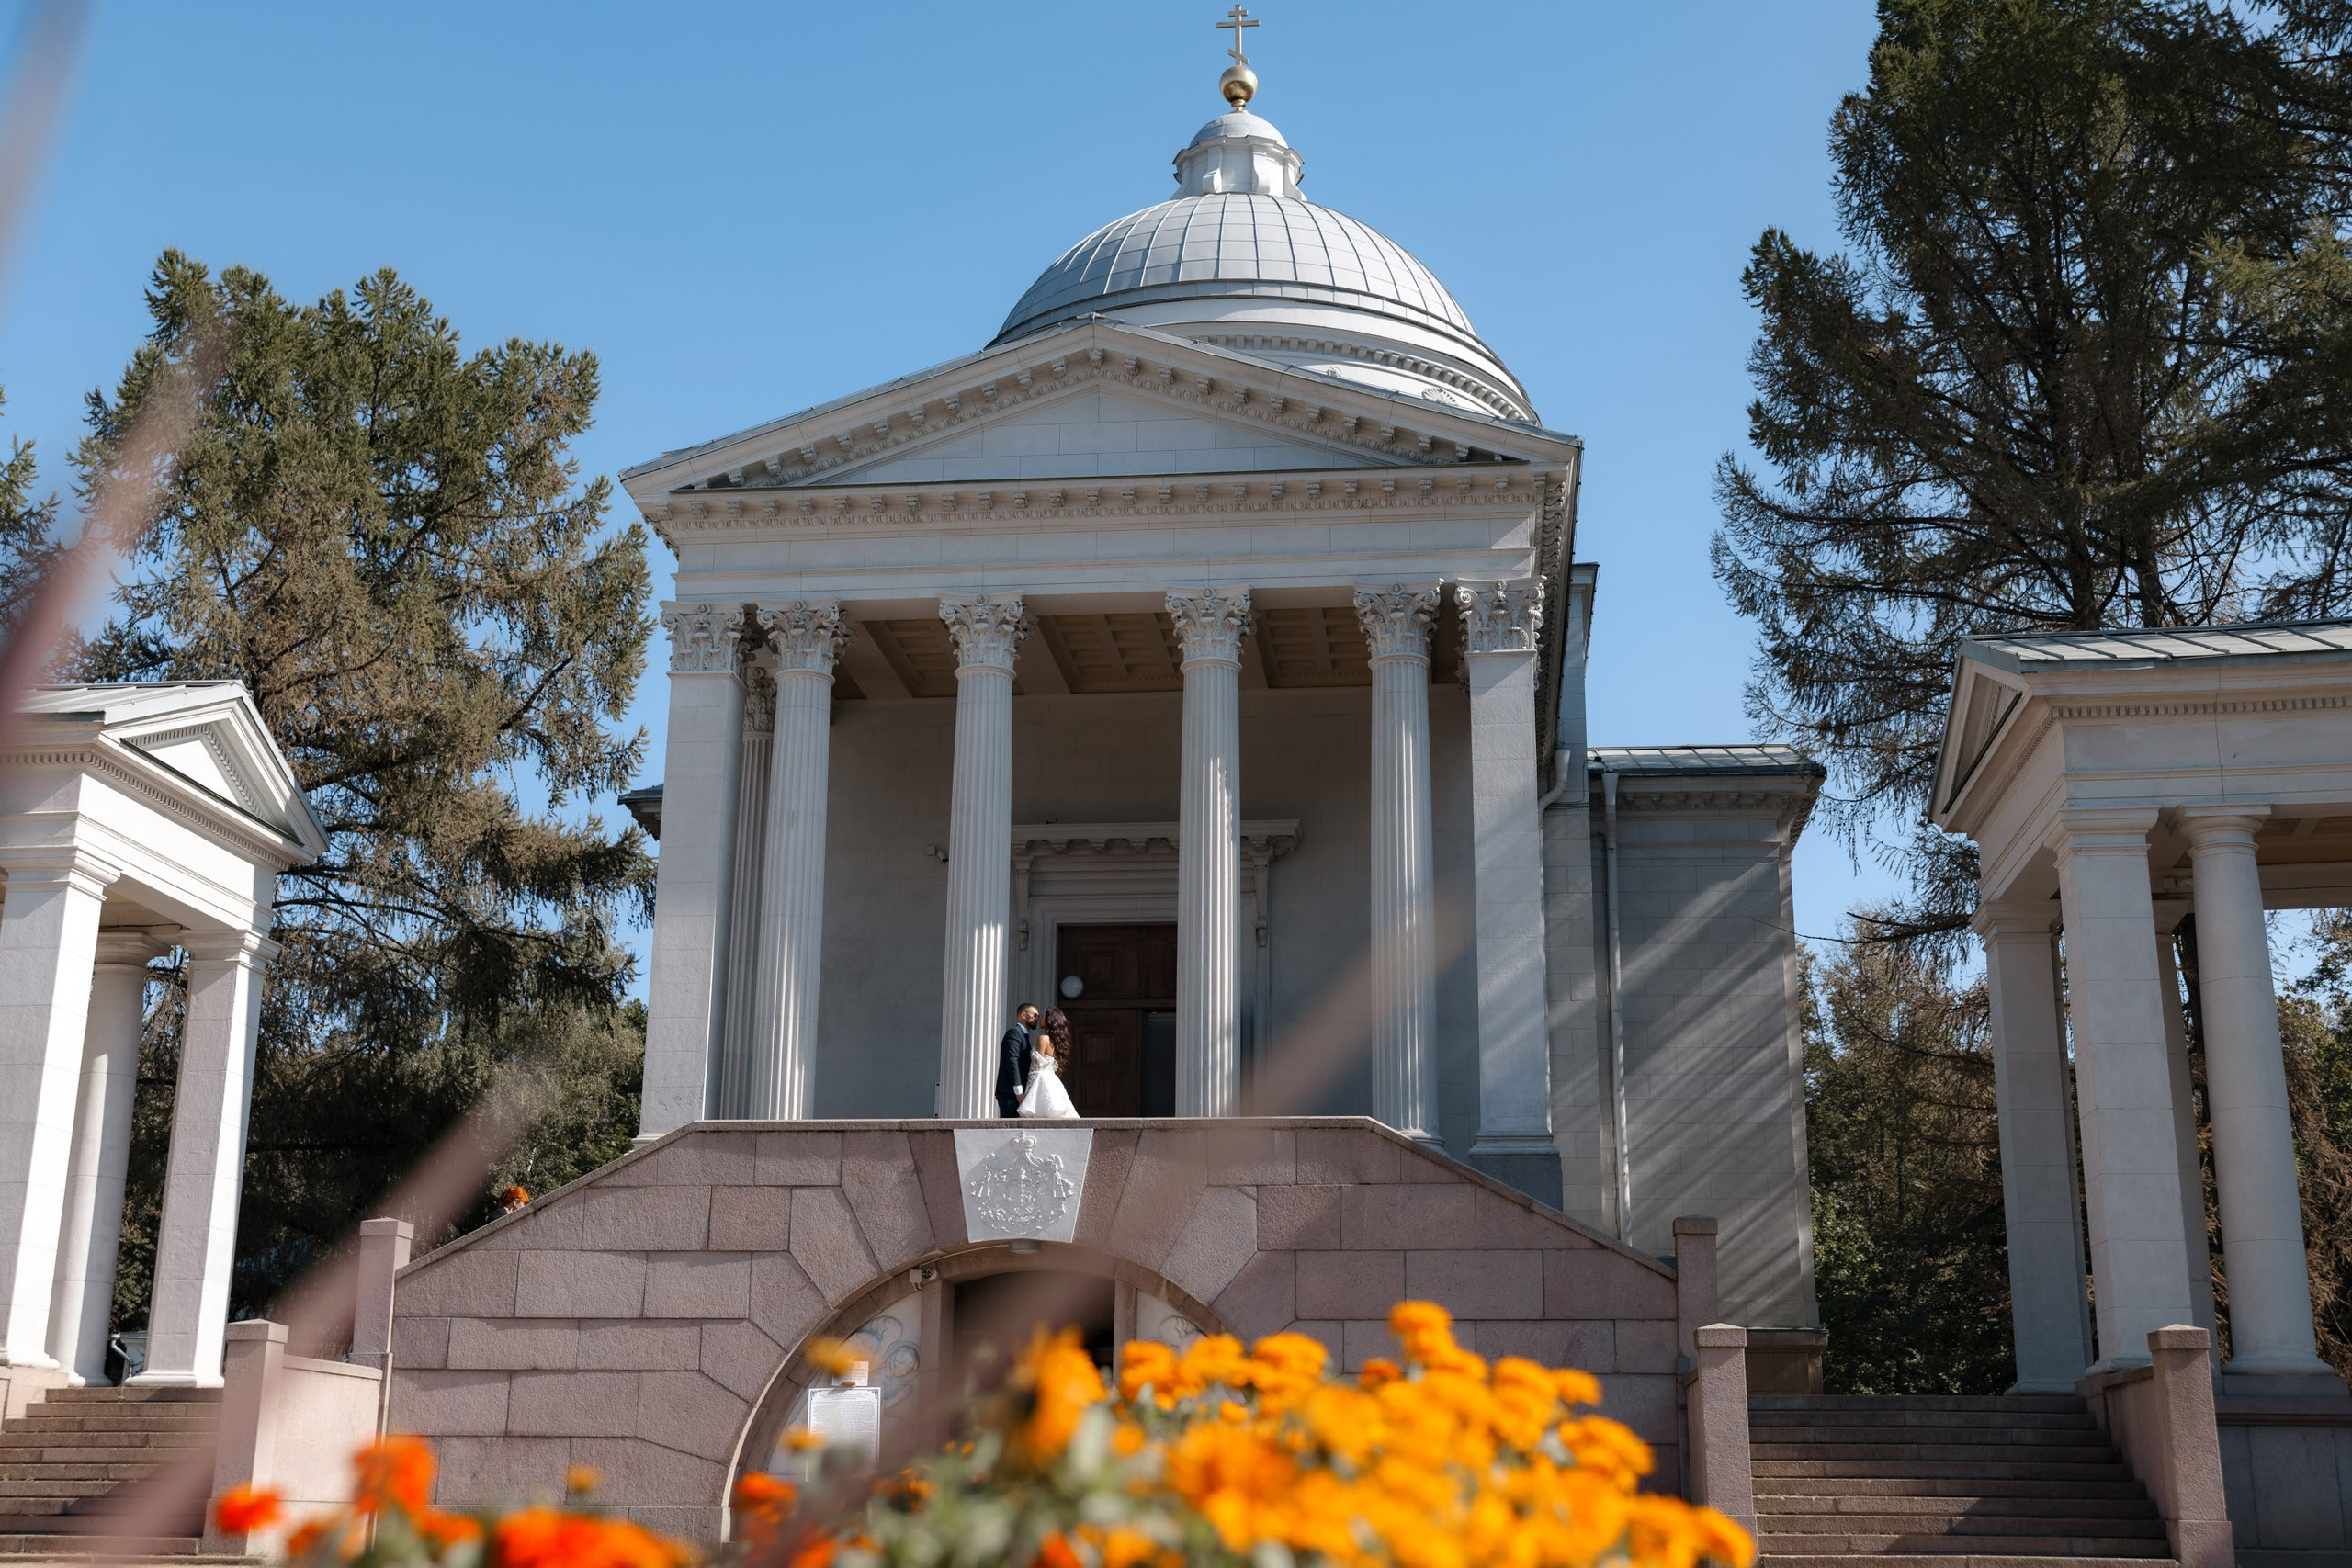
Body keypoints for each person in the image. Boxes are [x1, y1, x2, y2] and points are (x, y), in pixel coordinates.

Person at [1018, 1008, 1080, 1120]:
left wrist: (1028, 1093)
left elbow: (1035, 1068)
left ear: (1049, 1020)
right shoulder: (1056, 1042)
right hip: (1053, 1081)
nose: (1039, 1019)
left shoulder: (1043, 1039)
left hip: (1041, 1081)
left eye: (1042, 1016)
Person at [993, 1002, 1041, 1118]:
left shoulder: (1023, 1035)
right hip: (1011, 1094)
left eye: (1039, 1016)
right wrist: (1019, 1092)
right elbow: (1012, 1061)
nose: (1038, 1019)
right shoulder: (1014, 1033)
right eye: (1035, 1015)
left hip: (1019, 1094)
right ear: (1024, 1015)